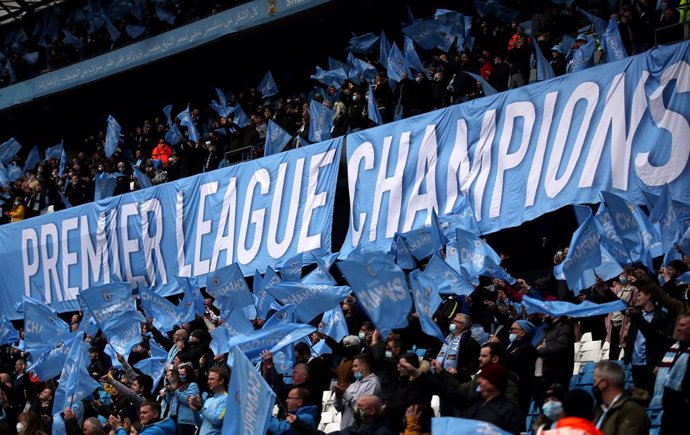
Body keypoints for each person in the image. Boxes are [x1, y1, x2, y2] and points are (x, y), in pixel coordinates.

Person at [592, 361, 649, 435]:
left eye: (595, 381)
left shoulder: (632, 410)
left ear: (604, 384)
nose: (594, 385)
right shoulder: (599, 408)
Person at [334, 354, 381, 429]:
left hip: (359, 430)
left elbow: (363, 410)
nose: (352, 369)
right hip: (345, 428)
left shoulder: (373, 384)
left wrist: (345, 394)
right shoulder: (353, 385)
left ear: (364, 367)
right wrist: (338, 396)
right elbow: (339, 408)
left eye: (355, 366)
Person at [188, 366, 229, 435]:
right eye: (208, 379)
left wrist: (200, 407)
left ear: (221, 381)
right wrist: (195, 411)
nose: (208, 382)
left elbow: (217, 421)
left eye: (212, 379)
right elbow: (201, 424)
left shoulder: (227, 399)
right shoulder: (208, 400)